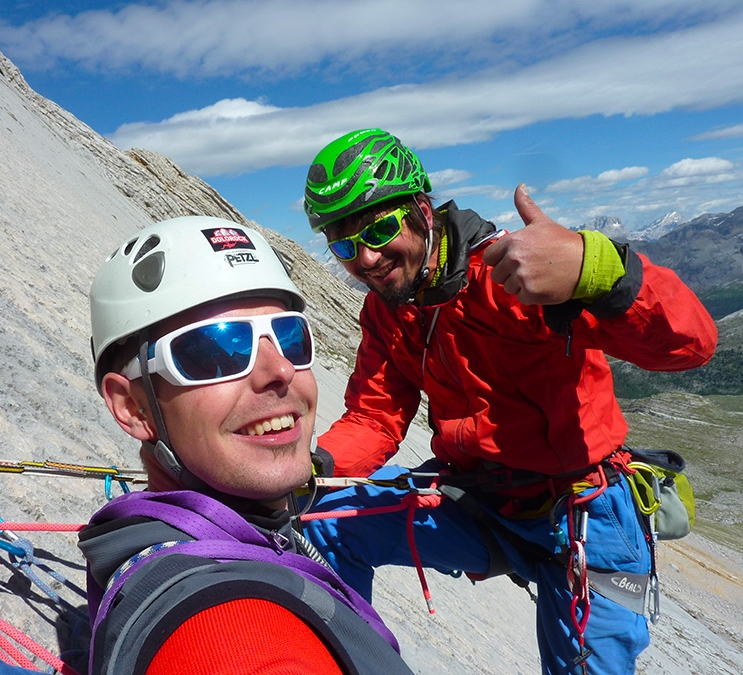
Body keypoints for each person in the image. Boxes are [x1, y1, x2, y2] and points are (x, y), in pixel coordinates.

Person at [300, 128, 718, 674]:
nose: (368, 257)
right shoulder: (389, 310)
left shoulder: (519, 276)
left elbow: (690, 344)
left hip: (585, 516)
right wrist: (311, 469)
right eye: (344, 245)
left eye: (379, 227)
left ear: (423, 209)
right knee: (319, 521)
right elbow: (376, 415)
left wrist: (598, 270)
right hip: (483, 502)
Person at [81, 215, 415, 675]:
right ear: (134, 407)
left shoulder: (166, 543)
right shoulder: (223, 627)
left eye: (290, 337)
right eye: (215, 350)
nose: (278, 370)